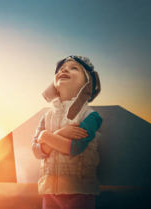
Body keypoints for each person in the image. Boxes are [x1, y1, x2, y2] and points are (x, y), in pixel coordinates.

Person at [31, 55, 103, 209]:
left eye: (74, 68)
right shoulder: (46, 117)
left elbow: (74, 148)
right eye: (62, 68)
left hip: (80, 193)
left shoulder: (90, 116)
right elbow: (37, 152)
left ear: (88, 82)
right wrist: (58, 134)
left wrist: (46, 138)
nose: (64, 69)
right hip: (49, 193)